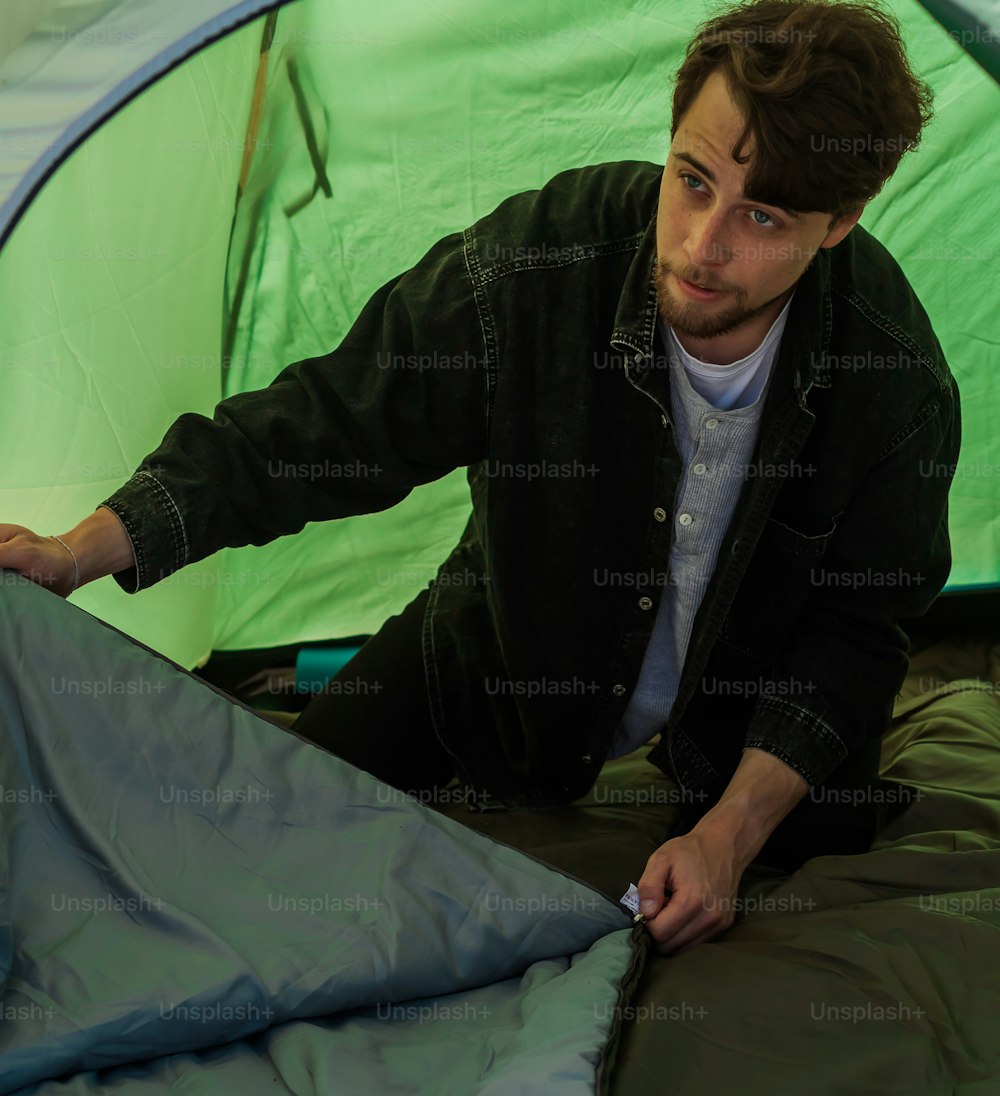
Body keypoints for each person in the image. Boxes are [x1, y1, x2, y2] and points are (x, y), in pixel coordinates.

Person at [0, 0, 960, 956]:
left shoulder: (894, 383)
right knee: (279, 815)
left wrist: (729, 834)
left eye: (761, 216)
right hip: (503, 653)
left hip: (742, 718)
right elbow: (324, 423)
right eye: (691, 179)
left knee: (814, 857)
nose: (703, 244)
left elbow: (858, 632)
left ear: (839, 224)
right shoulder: (541, 265)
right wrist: (75, 551)